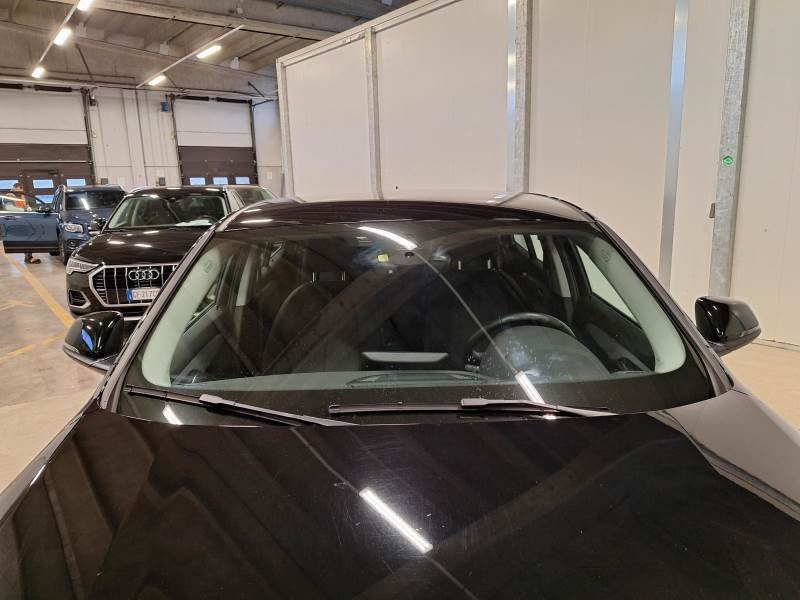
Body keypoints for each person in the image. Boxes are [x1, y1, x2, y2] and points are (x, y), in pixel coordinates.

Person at [9, 182, 40, 264]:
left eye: (22, 190)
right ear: (16, 188)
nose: (21, 192)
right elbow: (12, 208)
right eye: (20, 189)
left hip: (22, 219)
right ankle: (28, 257)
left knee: (28, 237)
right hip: (13, 220)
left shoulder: (22, 196)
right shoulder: (10, 196)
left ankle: (28, 256)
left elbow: (25, 206)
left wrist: (29, 208)